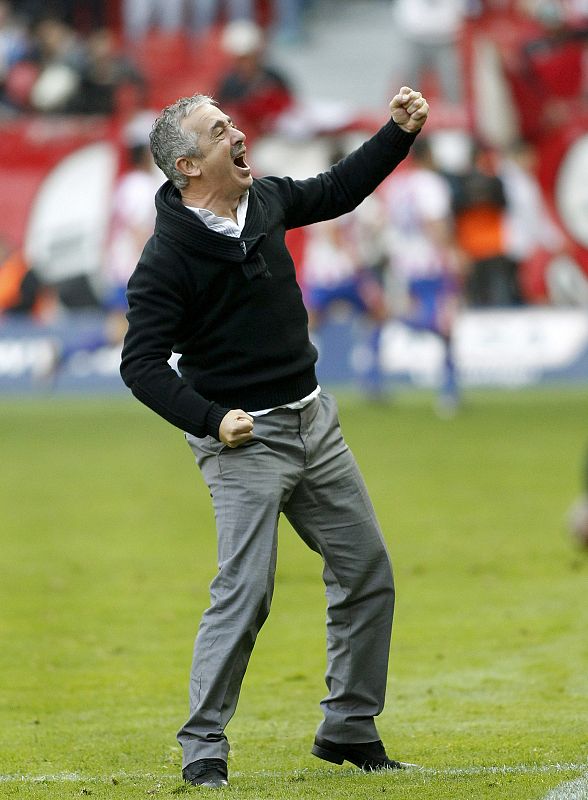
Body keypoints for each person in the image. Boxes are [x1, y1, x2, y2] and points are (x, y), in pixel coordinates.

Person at [120, 86, 429, 788]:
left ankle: (348, 730)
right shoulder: (166, 259)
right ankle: (203, 746)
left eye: (230, 120)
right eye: (218, 128)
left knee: (366, 572)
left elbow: (338, 189)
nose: (237, 132)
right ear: (189, 165)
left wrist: (397, 133)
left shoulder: (267, 201)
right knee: (246, 592)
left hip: (315, 423)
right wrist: (210, 419)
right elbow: (139, 364)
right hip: (243, 442)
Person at [381, 136, 463, 415]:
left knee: (443, 325)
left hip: (404, 264)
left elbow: (386, 222)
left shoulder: (397, 185)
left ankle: (451, 390)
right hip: (431, 264)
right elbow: (434, 222)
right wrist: (451, 253)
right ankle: (449, 394)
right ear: (429, 156)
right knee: (445, 325)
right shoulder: (430, 183)